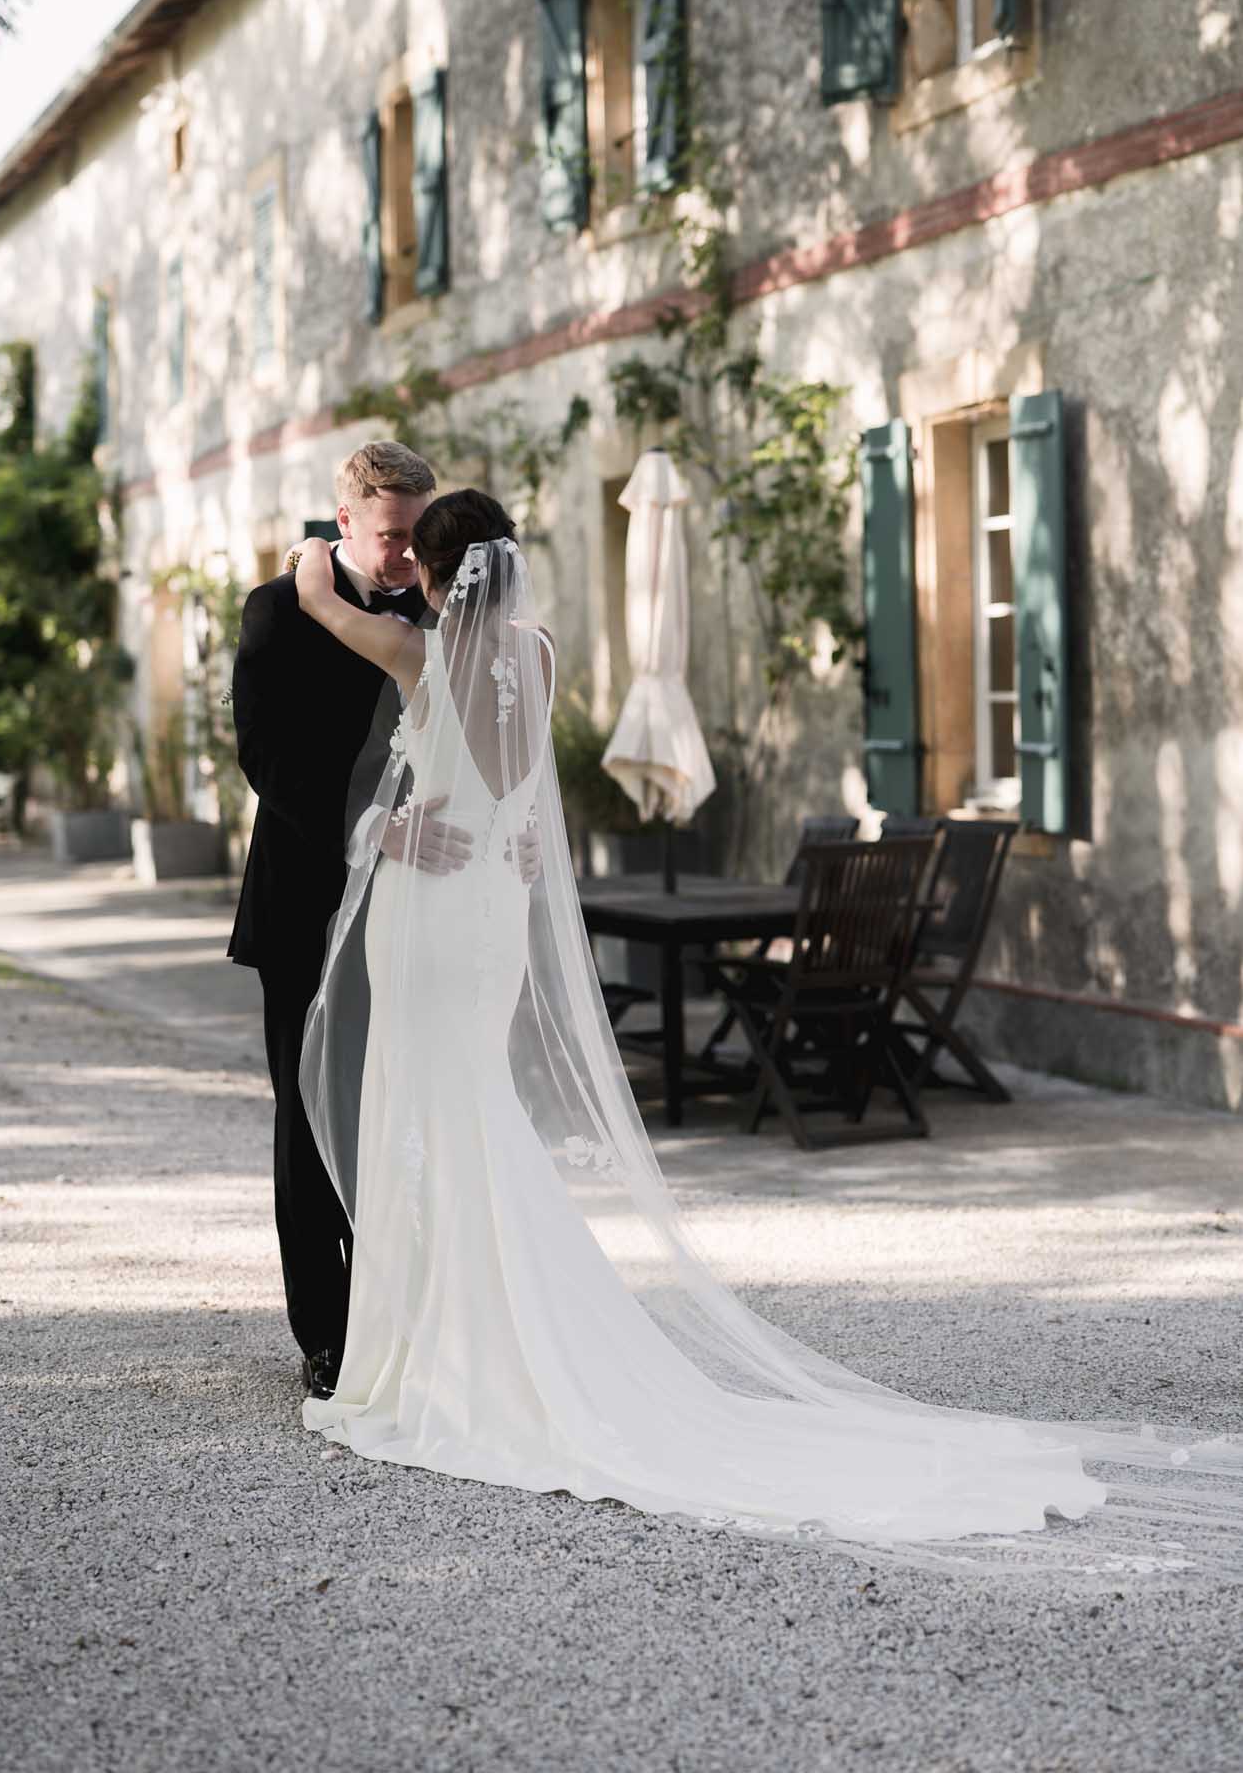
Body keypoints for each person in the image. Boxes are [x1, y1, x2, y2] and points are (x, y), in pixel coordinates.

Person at [286, 490, 1243, 1580]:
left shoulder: (415, 652)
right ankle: (490, 1329)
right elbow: (523, 801)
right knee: (472, 1105)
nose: (400, 560)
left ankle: (443, 1352)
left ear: (435, 568)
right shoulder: (538, 653)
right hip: (494, 914)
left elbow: (316, 594)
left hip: (434, 902)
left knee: (427, 1104)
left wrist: (323, 542)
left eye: (417, 551)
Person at [228, 440, 472, 1403]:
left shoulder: (439, 611)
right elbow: (265, 755)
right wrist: (373, 827)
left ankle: (399, 1311)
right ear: (345, 525)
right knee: (305, 1114)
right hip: (304, 898)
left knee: (395, 1109)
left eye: (418, 538)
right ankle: (325, 1334)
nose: (410, 558)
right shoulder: (276, 610)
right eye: (394, 538)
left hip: (413, 911)